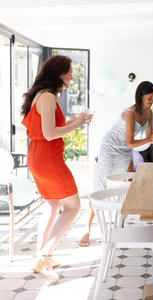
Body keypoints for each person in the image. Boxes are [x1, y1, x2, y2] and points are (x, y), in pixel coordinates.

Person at [21, 55, 93, 280]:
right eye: (70, 73)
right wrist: (78, 124)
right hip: (48, 159)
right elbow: (50, 134)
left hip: (37, 156)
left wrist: (74, 121)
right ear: (59, 74)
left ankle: (42, 258)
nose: (72, 77)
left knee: (52, 205)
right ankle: (44, 255)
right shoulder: (49, 97)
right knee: (73, 206)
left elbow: (48, 128)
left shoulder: (41, 95)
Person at [79, 81, 153, 246]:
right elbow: (130, 142)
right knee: (101, 187)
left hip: (124, 151)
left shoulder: (150, 113)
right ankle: (86, 230)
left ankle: (120, 225)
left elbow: (148, 139)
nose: (152, 101)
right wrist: (148, 138)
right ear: (141, 96)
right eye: (149, 98)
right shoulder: (130, 113)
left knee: (126, 187)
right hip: (110, 148)